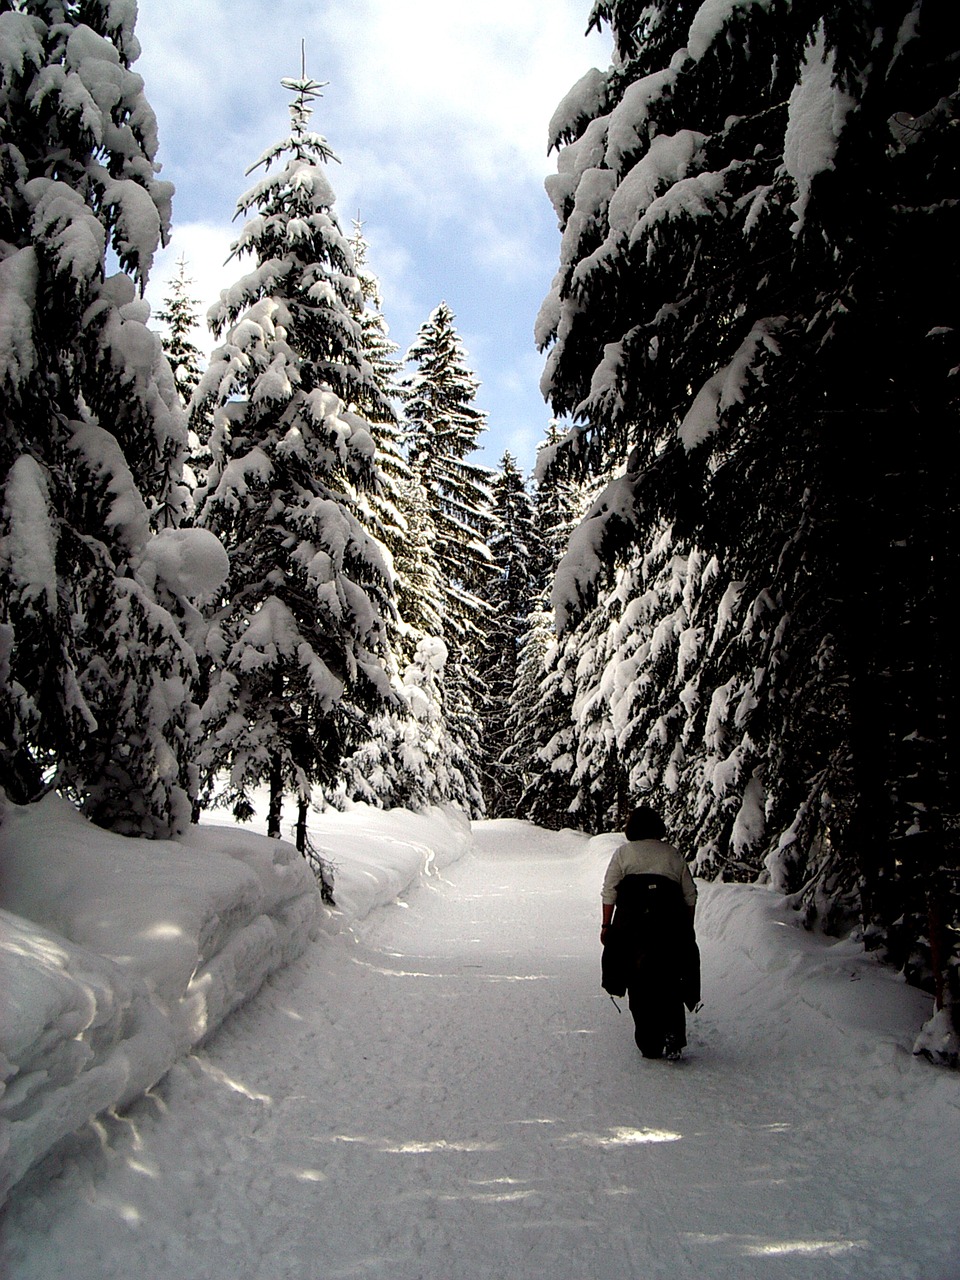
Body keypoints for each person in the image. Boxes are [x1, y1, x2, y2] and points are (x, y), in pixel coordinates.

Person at [600, 806, 698, 1060]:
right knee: (670, 979)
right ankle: (674, 1035)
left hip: (632, 926)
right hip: (670, 925)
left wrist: (606, 925)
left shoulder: (623, 853)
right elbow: (690, 895)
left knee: (637, 981)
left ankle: (649, 1042)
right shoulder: (672, 854)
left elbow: (609, 890)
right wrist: (686, 928)